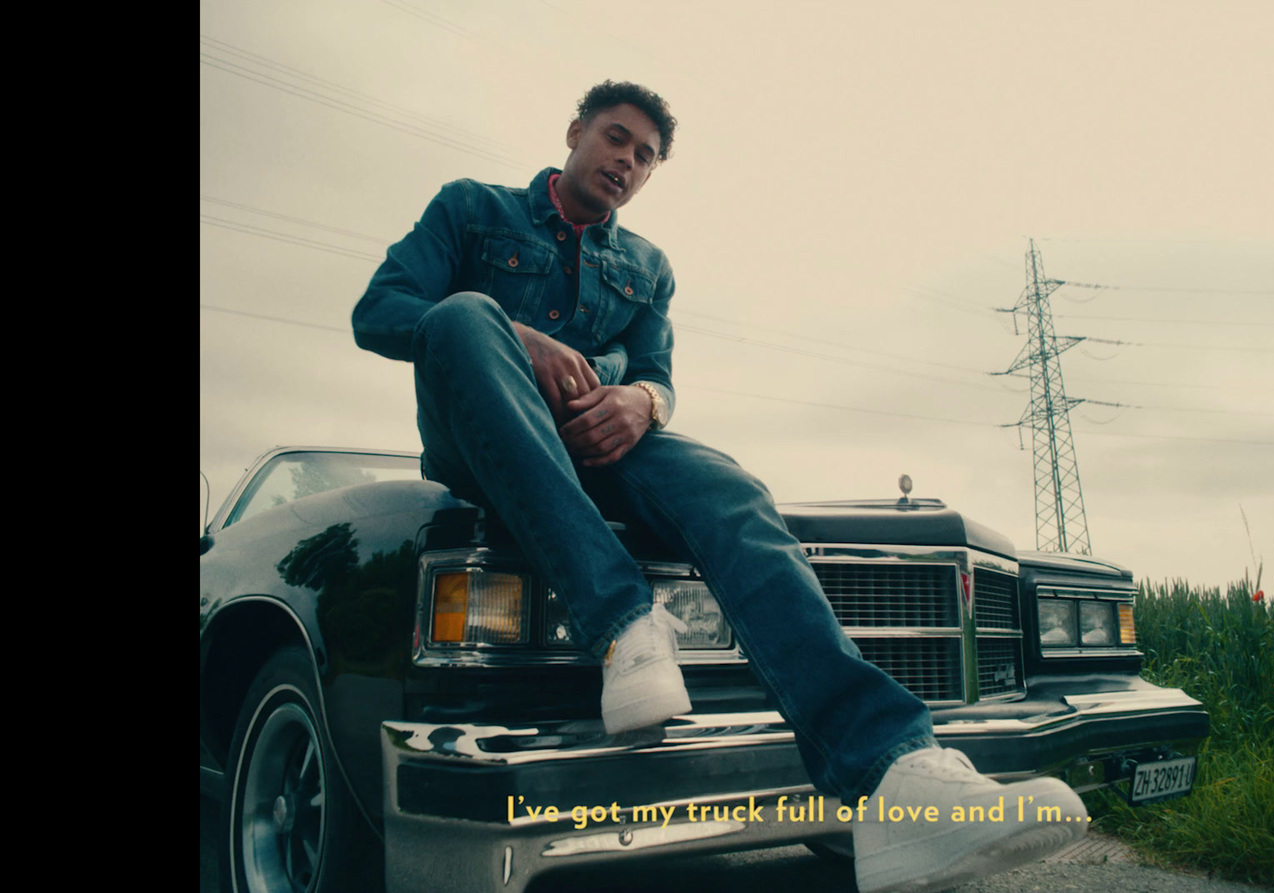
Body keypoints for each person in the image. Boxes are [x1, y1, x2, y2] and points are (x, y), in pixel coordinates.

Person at [352, 80, 1087, 893]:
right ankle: (626, 624)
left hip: (598, 447)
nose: (626, 161)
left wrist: (643, 401)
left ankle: (895, 778)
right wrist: (511, 333)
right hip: (479, 436)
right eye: (615, 138)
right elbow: (379, 309)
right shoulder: (471, 209)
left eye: (645, 155)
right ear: (574, 132)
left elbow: (659, 377)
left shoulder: (647, 268)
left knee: (731, 487)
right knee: (460, 316)